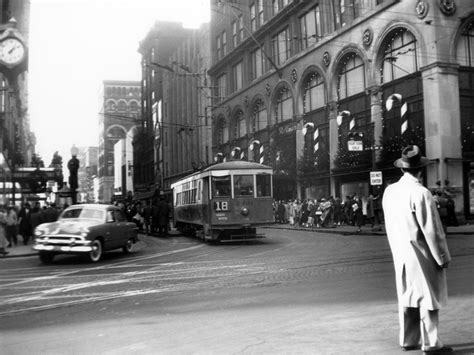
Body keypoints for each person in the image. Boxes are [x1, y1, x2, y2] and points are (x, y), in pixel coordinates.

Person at [382, 145, 452, 354]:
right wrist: (442, 257)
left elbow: (389, 223)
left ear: (403, 169)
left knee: (407, 296)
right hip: (422, 253)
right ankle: (431, 343)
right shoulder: (422, 193)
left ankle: (409, 339)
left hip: (401, 252)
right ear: (420, 170)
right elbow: (433, 230)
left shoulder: (390, 191)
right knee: (429, 297)